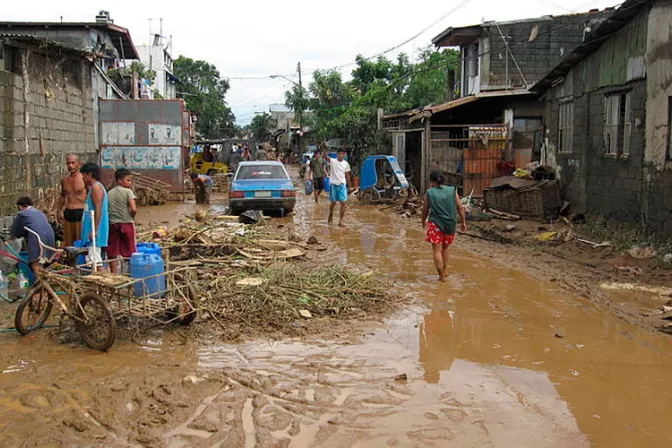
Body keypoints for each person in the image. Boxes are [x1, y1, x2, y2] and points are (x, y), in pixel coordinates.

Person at [421, 171, 467, 282]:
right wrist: (463, 222)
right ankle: (445, 272)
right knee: (445, 248)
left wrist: (423, 221)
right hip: (450, 224)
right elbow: (460, 207)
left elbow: (425, 210)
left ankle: (441, 277)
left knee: (437, 251)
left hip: (435, 224)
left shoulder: (429, 193)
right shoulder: (452, 190)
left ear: (431, 182)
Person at [11, 197, 56, 274]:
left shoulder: (22, 214)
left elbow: (15, 232)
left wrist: (12, 236)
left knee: (35, 263)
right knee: (46, 262)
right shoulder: (40, 213)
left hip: (37, 237)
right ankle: (47, 281)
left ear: (20, 206)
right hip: (50, 236)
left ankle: (41, 283)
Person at [80, 162, 109, 269]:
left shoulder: (96, 188)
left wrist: (95, 230)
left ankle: (105, 282)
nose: (82, 178)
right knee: (92, 261)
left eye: (83, 175)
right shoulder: (92, 188)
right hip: (90, 230)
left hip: (94, 232)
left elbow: (98, 209)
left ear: (89, 174)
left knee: (96, 261)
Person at [107, 169, 137, 273]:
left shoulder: (109, 193)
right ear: (119, 180)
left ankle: (114, 274)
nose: (130, 183)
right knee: (129, 249)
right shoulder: (128, 192)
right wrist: (132, 215)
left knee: (112, 250)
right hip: (126, 223)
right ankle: (128, 273)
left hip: (113, 224)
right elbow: (133, 208)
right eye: (128, 180)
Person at [57, 154, 87, 247]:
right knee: (69, 243)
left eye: (73, 163)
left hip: (80, 212)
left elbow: (91, 194)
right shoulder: (65, 180)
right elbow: (62, 195)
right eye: (68, 163)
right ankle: (71, 261)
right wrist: (58, 210)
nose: (70, 166)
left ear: (78, 164)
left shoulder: (84, 179)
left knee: (80, 241)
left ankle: (81, 261)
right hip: (68, 212)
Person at [323, 148, 351, 227]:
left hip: (342, 184)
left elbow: (347, 175)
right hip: (333, 184)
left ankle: (340, 221)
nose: (340, 155)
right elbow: (326, 157)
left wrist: (350, 186)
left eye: (342, 154)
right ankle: (330, 215)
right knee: (333, 203)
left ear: (344, 155)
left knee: (343, 203)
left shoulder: (346, 164)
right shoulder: (333, 161)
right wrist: (323, 150)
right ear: (337, 154)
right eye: (339, 154)